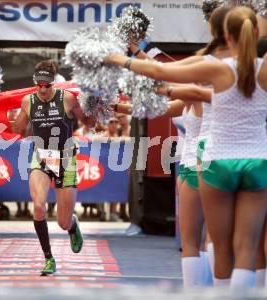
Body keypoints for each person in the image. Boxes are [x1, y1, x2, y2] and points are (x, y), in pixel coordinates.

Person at [107, 7, 267, 288]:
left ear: (225, 36)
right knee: (247, 247)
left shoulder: (215, 68)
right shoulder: (263, 68)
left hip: (217, 162)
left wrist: (115, 57)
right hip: (258, 161)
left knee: (219, 245)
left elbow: (160, 71)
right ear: (255, 32)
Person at [11, 60, 95, 275]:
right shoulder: (27, 102)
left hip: (66, 160)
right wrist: (13, 119)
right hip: (40, 158)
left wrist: (94, 105)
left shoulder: (67, 99)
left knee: (62, 222)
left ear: (53, 84)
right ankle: (49, 259)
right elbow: (18, 129)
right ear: (35, 83)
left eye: (47, 85)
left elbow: (88, 122)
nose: (43, 89)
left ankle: (73, 226)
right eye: (39, 84)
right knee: (39, 207)